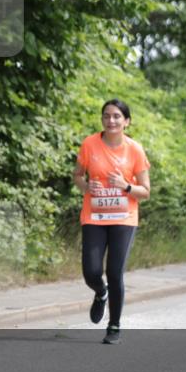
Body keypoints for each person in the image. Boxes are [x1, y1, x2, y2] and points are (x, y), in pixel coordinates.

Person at [72, 99, 151, 345]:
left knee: (115, 272)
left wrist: (126, 186)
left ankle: (114, 325)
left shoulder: (135, 149)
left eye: (117, 116)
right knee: (91, 272)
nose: (111, 120)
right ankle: (100, 292)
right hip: (94, 216)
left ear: (126, 121)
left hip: (124, 218)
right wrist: (87, 186)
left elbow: (145, 191)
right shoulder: (89, 144)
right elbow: (77, 175)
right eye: (107, 116)